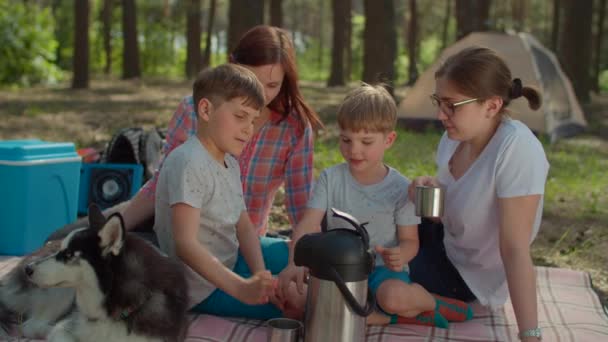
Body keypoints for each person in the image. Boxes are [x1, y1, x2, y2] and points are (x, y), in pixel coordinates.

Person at [277, 84, 473, 328]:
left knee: (393, 297)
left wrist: (401, 254)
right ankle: (393, 317)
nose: (354, 150)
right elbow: (309, 223)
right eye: (346, 140)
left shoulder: (400, 188)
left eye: (366, 141)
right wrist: (294, 262)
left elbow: (411, 241)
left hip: (384, 273)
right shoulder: (331, 178)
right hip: (338, 270)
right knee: (295, 301)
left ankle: (432, 302)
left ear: (389, 139)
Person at [123, 25, 322, 237]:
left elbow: (302, 210)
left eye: (272, 85)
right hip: (185, 242)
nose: (260, 95)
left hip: (249, 246)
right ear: (232, 65)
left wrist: (302, 260)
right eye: (251, 78)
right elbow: (162, 184)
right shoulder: (194, 109)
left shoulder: (294, 128)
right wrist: (116, 228)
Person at [407, 47, 549, 341]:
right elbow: (446, 218)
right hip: (442, 242)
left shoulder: (516, 150)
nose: (440, 114)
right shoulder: (453, 139)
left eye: (451, 105)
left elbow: (515, 249)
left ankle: (439, 304)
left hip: (465, 276)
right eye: (438, 102)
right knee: (371, 211)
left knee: (371, 264)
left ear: (492, 106)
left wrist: (530, 335)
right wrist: (425, 191)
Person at [154, 63, 305, 320]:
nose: (249, 128)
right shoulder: (188, 162)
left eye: (253, 120)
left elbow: (244, 226)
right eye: (240, 116)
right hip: (202, 287)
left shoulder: (230, 163)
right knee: (299, 304)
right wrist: (242, 289)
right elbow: (185, 244)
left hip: (231, 256)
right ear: (205, 109)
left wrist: (261, 276)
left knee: (302, 258)